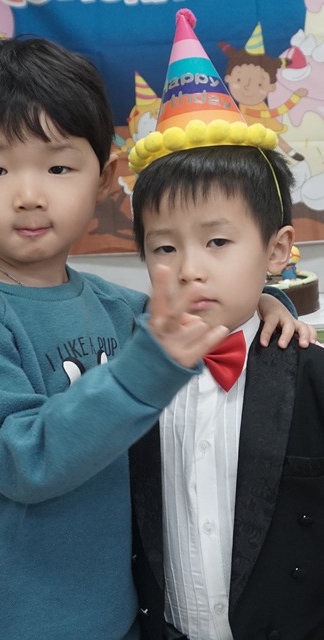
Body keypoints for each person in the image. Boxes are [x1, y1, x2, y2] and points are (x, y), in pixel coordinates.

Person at [0, 35, 312, 640]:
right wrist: (145, 369)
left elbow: (202, 313)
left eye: (58, 167)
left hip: (120, 616)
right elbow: (23, 460)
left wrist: (268, 303)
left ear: (104, 178)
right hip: (5, 620)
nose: (28, 196)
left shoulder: (119, 307)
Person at [128, 9, 324, 640]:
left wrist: (276, 300)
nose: (190, 269)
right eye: (164, 248)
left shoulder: (312, 371)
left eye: (217, 241)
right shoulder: (121, 374)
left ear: (276, 249)